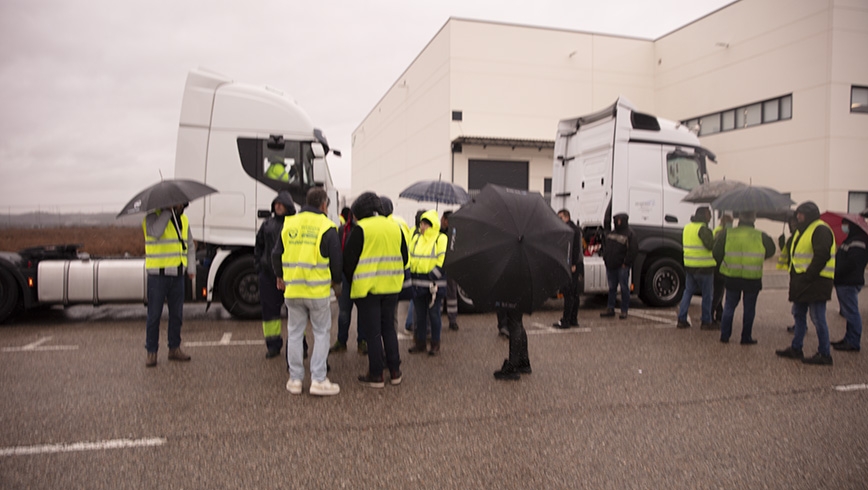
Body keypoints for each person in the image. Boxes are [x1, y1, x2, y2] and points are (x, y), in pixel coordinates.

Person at [272, 187, 342, 395]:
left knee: (294, 333)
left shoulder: (289, 223)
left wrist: (280, 276)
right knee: (321, 333)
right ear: (323, 205)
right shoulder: (327, 227)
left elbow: (276, 255)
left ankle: (295, 380)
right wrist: (336, 283)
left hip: (293, 290)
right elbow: (336, 262)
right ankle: (318, 379)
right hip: (317, 291)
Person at [343, 192, 409, 388]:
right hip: (392, 288)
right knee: (389, 329)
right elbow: (404, 258)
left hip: (368, 290)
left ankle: (377, 374)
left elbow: (348, 262)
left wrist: (353, 280)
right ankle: (395, 371)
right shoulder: (395, 228)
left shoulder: (361, 229)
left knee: (373, 333)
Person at [776, 201, 836, 365]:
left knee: (817, 317)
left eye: (801, 214)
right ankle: (796, 348)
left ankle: (824, 354)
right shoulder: (801, 230)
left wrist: (809, 275)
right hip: (802, 282)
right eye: (798, 214)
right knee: (798, 314)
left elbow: (822, 254)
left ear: (809, 214)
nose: (798, 216)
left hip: (816, 281)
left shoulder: (820, 229)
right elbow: (795, 252)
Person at [143, 202, 195, 367]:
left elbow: (190, 245)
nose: (180, 206)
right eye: (176, 203)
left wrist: (191, 268)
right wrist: (166, 211)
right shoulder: (151, 217)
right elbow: (156, 233)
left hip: (177, 275)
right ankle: (151, 352)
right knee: (154, 316)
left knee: (177, 316)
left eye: (181, 204)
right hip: (158, 276)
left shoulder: (183, 220)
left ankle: (174, 348)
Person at [712, 211, 776, 344]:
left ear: (739, 218)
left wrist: (725, 261)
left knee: (729, 306)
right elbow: (771, 250)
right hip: (752, 277)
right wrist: (759, 258)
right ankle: (746, 337)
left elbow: (716, 252)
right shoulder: (760, 235)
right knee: (749, 308)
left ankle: (725, 335)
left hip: (732, 275)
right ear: (754, 219)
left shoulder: (727, 233)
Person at [254, 191, 297, 358]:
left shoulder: (294, 223)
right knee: (270, 313)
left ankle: (301, 345)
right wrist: (258, 266)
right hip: (268, 275)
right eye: (276, 204)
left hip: (290, 274)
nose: (278, 206)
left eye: (281, 203)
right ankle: (273, 345)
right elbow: (258, 246)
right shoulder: (267, 224)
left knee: (295, 312)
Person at [408, 209, 448, 355]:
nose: (422, 227)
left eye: (425, 224)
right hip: (418, 283)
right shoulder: (416, 238)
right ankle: (420, 343)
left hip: (433, 285)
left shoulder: (441, 238)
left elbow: (442, 261)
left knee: (434, 315)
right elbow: (410, 257)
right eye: (421, 224)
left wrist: (432, 276)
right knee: (420, 315)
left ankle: (435, 344)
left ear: (432, 225)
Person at [330, 206, 367, 355]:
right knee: (344, 311)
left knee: (363, 312)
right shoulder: (342, 230)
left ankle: (362, 341)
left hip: (361, 275)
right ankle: (341, 340)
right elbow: (337, 254)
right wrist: (337, 279)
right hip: (346, 276)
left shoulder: (365, 229)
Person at [831, 217, 868, 352]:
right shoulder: (852, 239)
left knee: (851, 312)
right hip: (845, 281)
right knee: (848, 311)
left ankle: (853, 341)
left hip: (849, 281)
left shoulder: (858, 241)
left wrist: (837, 272)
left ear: (853, 226)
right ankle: (848, 338)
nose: (844, 227)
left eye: (846, 224)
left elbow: (852, 263)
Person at [676, 207, 716, 330]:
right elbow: (710, 246)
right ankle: (706, 321)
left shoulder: (687, 227)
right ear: (704, 214)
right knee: (707, 295)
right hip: (704, 267)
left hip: (689, 266)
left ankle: (681, 319)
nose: (710, 216)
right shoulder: (703, 229)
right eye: (709, 213)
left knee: (688, 292)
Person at [600, 213, 637, 319]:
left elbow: (633, 251)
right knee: (612, 288)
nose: (618, 222)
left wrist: (626, 263)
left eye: (620, 220)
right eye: (616, 220)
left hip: (622, 266)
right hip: (611, 264)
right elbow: (606, 247)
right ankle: (610, 308)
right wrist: (605, 258)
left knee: (624, 288)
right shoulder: (611, 233)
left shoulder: (630, 234)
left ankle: (624, 310)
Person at [553, 209, 584, 329]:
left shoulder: (571, 230)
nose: (559, 220)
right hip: (575, 264)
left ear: (567, 217)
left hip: (572, 265)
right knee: (574, 293)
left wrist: (573, 264)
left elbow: (574, 248)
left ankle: (566, 320)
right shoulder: (573, 229)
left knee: (569, 293)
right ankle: (573, 319)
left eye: (560, 218)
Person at [493, 305, 531, 380]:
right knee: (518, 321)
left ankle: (513, 366)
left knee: (514, 322)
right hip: (521, 295)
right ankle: (523, 361)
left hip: (513, 295)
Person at [711, 213, 733, 324]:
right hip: (721, 266)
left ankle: (719, 313)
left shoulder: (716, 230)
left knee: (718, 292)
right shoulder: (724, 233)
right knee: (718, 293)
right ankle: (711, 314)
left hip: (714, 265)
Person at [441, 211, 460, 331]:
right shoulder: (440, 232)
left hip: (449, 266)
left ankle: (452, 320)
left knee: (451, 293)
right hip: (443, 266)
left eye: (443, 219)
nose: (442, 221)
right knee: (442, 294)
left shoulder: (453, 232)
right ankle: (447, 320)